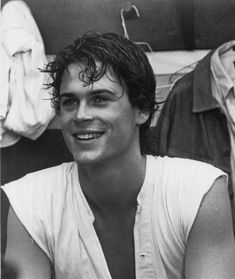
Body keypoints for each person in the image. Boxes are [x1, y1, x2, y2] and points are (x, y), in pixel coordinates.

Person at [2, 32, 235, 279]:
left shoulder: (198, 192)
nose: (80, 115)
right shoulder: (30, 202)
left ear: (142, 110)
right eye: (69, 102)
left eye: (100, 99)